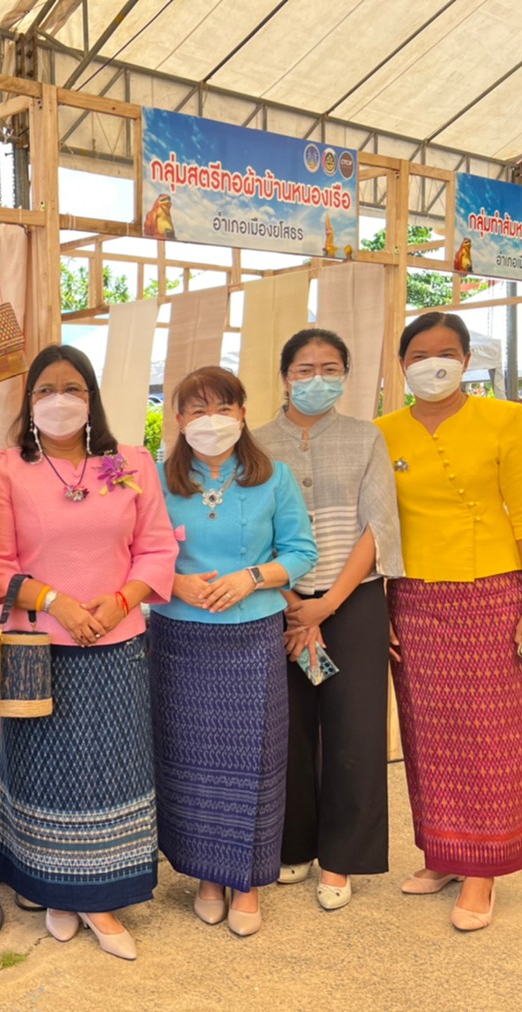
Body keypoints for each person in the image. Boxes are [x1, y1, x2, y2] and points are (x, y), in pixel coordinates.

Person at [0, 345, 176, 960]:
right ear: (29, 401)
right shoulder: (9, 468)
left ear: (90, 398)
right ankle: (58, 892)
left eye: (72, 388)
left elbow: (156, 548)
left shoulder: (131, 462)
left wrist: (121, 602)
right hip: (39, 647)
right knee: (46, 773)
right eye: (45, 390)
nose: (58, 400)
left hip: (117, 642)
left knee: (108, 770)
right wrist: (58, 602)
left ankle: (97, 896)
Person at [377, 311, 522, 932]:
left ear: (467, 360)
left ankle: (485, 869)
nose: (432, 363)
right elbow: (379, 527)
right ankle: (444, 854)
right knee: (428, 733)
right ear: (402, 365)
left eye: (446, 352)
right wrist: (378, 607)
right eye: (419, 354)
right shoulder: (385, 431)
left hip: (493, 593)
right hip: (415, 598)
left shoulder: (505, 419)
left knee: (492, 733)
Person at [148, 367, 317, 938]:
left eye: (222, 407)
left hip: (251, 636)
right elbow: (136, 551)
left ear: (243, 413)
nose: (210, 421)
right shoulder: (156, 479)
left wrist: (253, 577)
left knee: (255, 760)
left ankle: (246, 881)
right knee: (189, 761)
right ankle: (206, 877)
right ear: (178, 420)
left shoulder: (275, 478)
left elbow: (301, 552)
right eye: (196, 410)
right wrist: (172, 582)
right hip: (179, 637)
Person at [253, 330, 403, 910]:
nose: (317, 378)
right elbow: (252, 530)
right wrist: (295, 603)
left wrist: (327, 604)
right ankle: (293, 845)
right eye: (305, 368)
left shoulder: (367, 437)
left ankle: (343, 858)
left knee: (355, 732)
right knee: (286, 729)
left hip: (353, 599)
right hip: (276, 603)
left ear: (347, 373)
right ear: (285, 374)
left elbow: (379, 526)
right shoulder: (257, 443)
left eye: (330, 367)